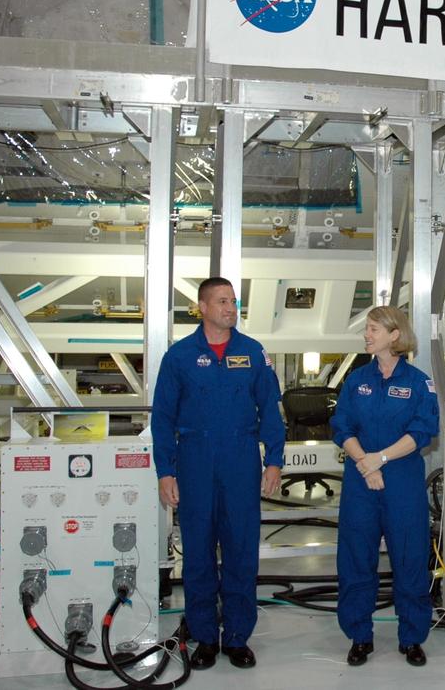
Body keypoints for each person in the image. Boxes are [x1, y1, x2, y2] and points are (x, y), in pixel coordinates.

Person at [152, 276, 285, 670]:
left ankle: (238, 638)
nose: (231, 308)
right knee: (198, 554)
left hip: (241, 460)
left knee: (242, 551)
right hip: (194, 461)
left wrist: (274, 460)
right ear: (203, 307)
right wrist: (166, 470)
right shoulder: (179, 357)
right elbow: (162, 419)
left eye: (234, 301)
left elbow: (270, 412)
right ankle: (206, 637)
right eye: (223, 301)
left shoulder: (253, 353)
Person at [331, 305, 440, 668]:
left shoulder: (418, 382)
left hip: (402, 482)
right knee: (356, 560)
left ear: (394, 335)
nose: (366, 334)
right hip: (362, 482)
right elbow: (342, 427)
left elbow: (422, 432)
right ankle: (360, 636)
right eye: (367, 328)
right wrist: (365, 462)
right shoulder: (355, 380)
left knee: (409, 559)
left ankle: (411, 637)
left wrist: (381, 459)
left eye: (373, 329)